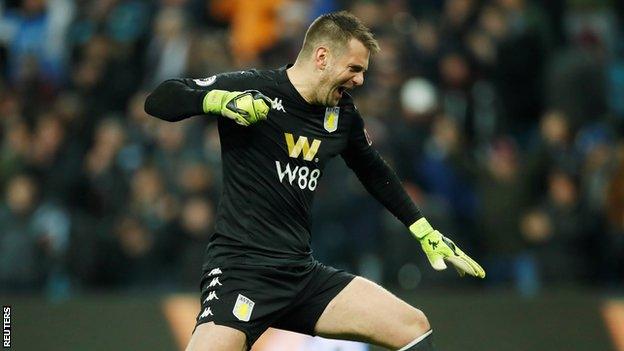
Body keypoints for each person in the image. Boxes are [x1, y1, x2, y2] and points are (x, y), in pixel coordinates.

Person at [145, 11, 485, 351]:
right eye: (354, 69)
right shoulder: (253, 87)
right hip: (241, 272)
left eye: (363, 72)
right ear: (322, 57)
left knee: (413, 326)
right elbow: (159, 100)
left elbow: (373, 171)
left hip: (301, 275)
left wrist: (422, 229)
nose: (359, 81)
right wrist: (218, 100)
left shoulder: (342, 115)